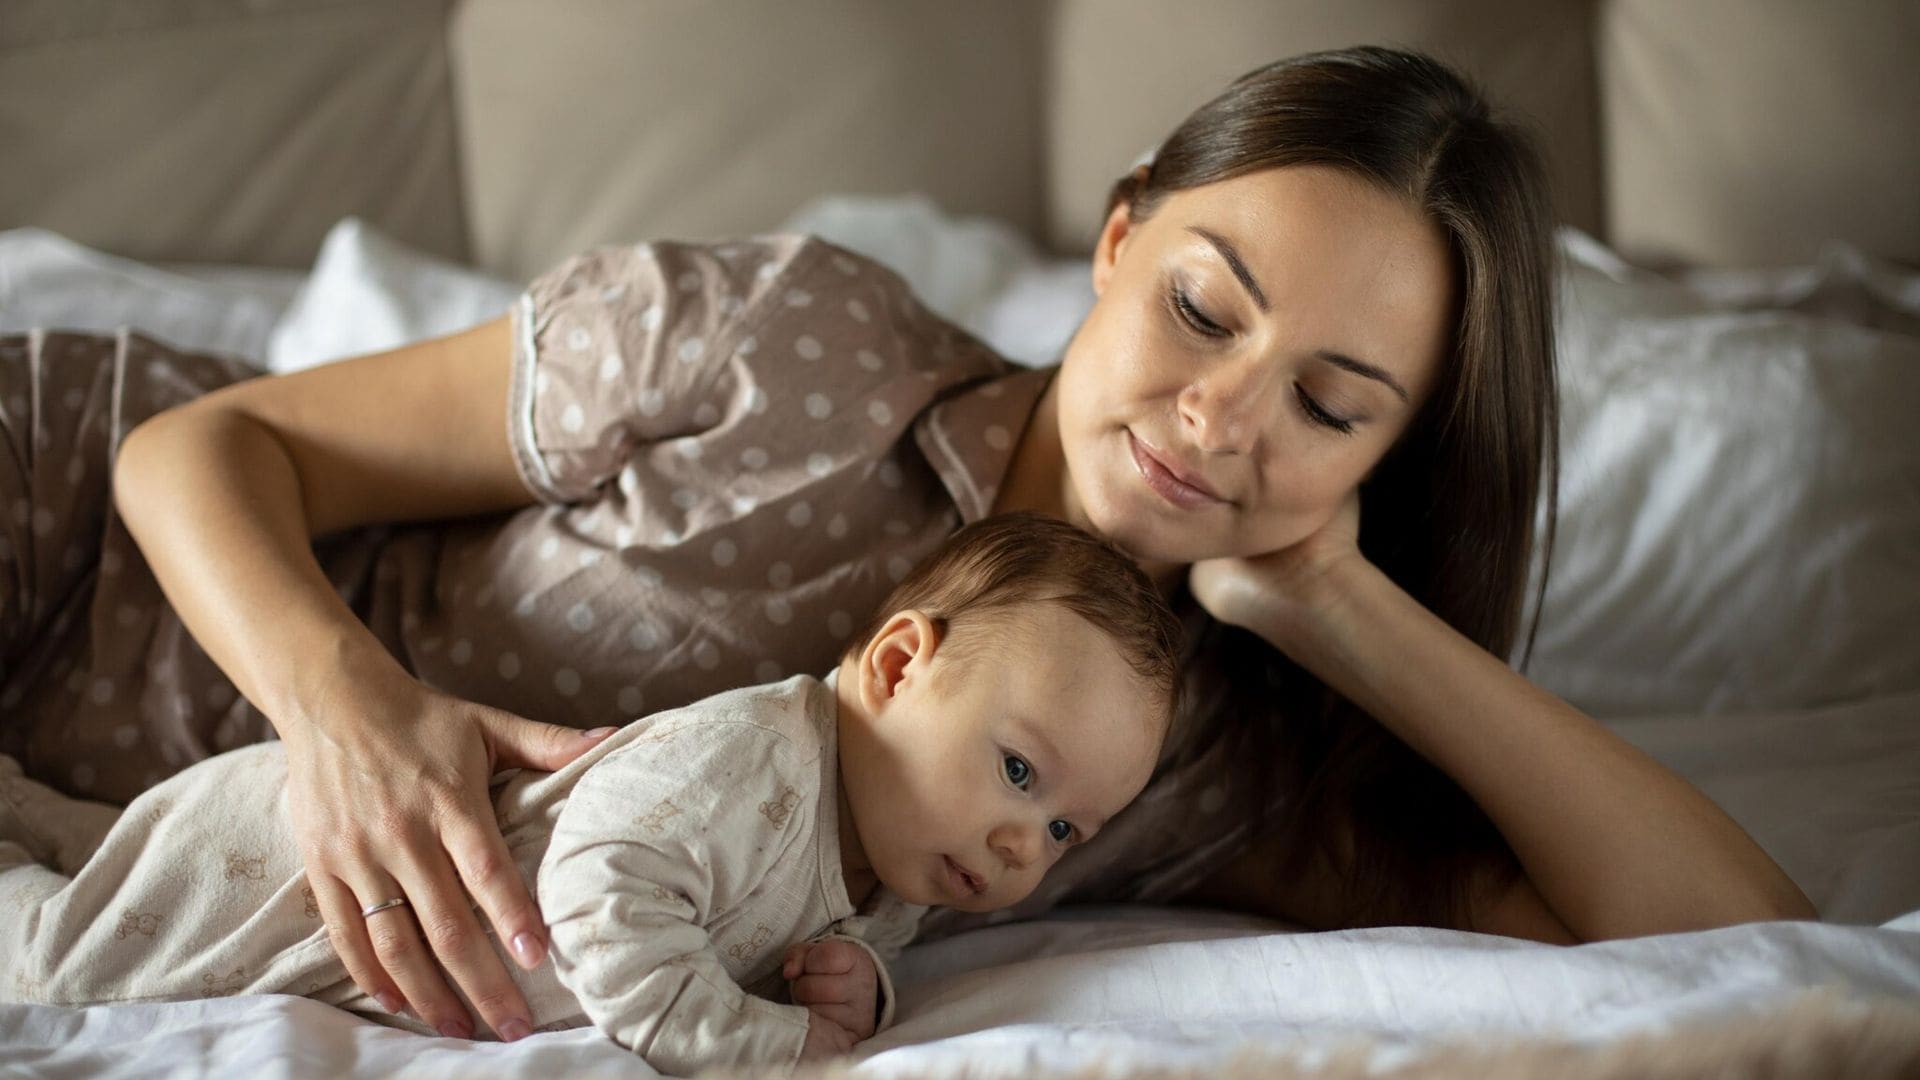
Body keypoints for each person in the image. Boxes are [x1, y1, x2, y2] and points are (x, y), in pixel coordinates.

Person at [0, 45, 1813, 1046]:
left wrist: (1337, 602)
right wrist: (346, 709)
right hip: (59, 522)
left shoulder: (1214, 760)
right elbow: (195, 447)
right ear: (1116, 243)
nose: (1222, 419)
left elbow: (1748, 951)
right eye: (1204, 310)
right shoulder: (800, 343)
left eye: (1331, 405)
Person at [0, 513, 1179, 1070]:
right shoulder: (755, 757)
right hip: (299, 880)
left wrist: (861, 984)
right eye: (1019, 773)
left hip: (358, 922)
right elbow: (602, 911)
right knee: (57, 961)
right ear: (897, 665)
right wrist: (784, 1046)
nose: (1026, 846)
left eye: (1066, 825)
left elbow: (826, 941)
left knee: (88, 855)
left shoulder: (903, 848)